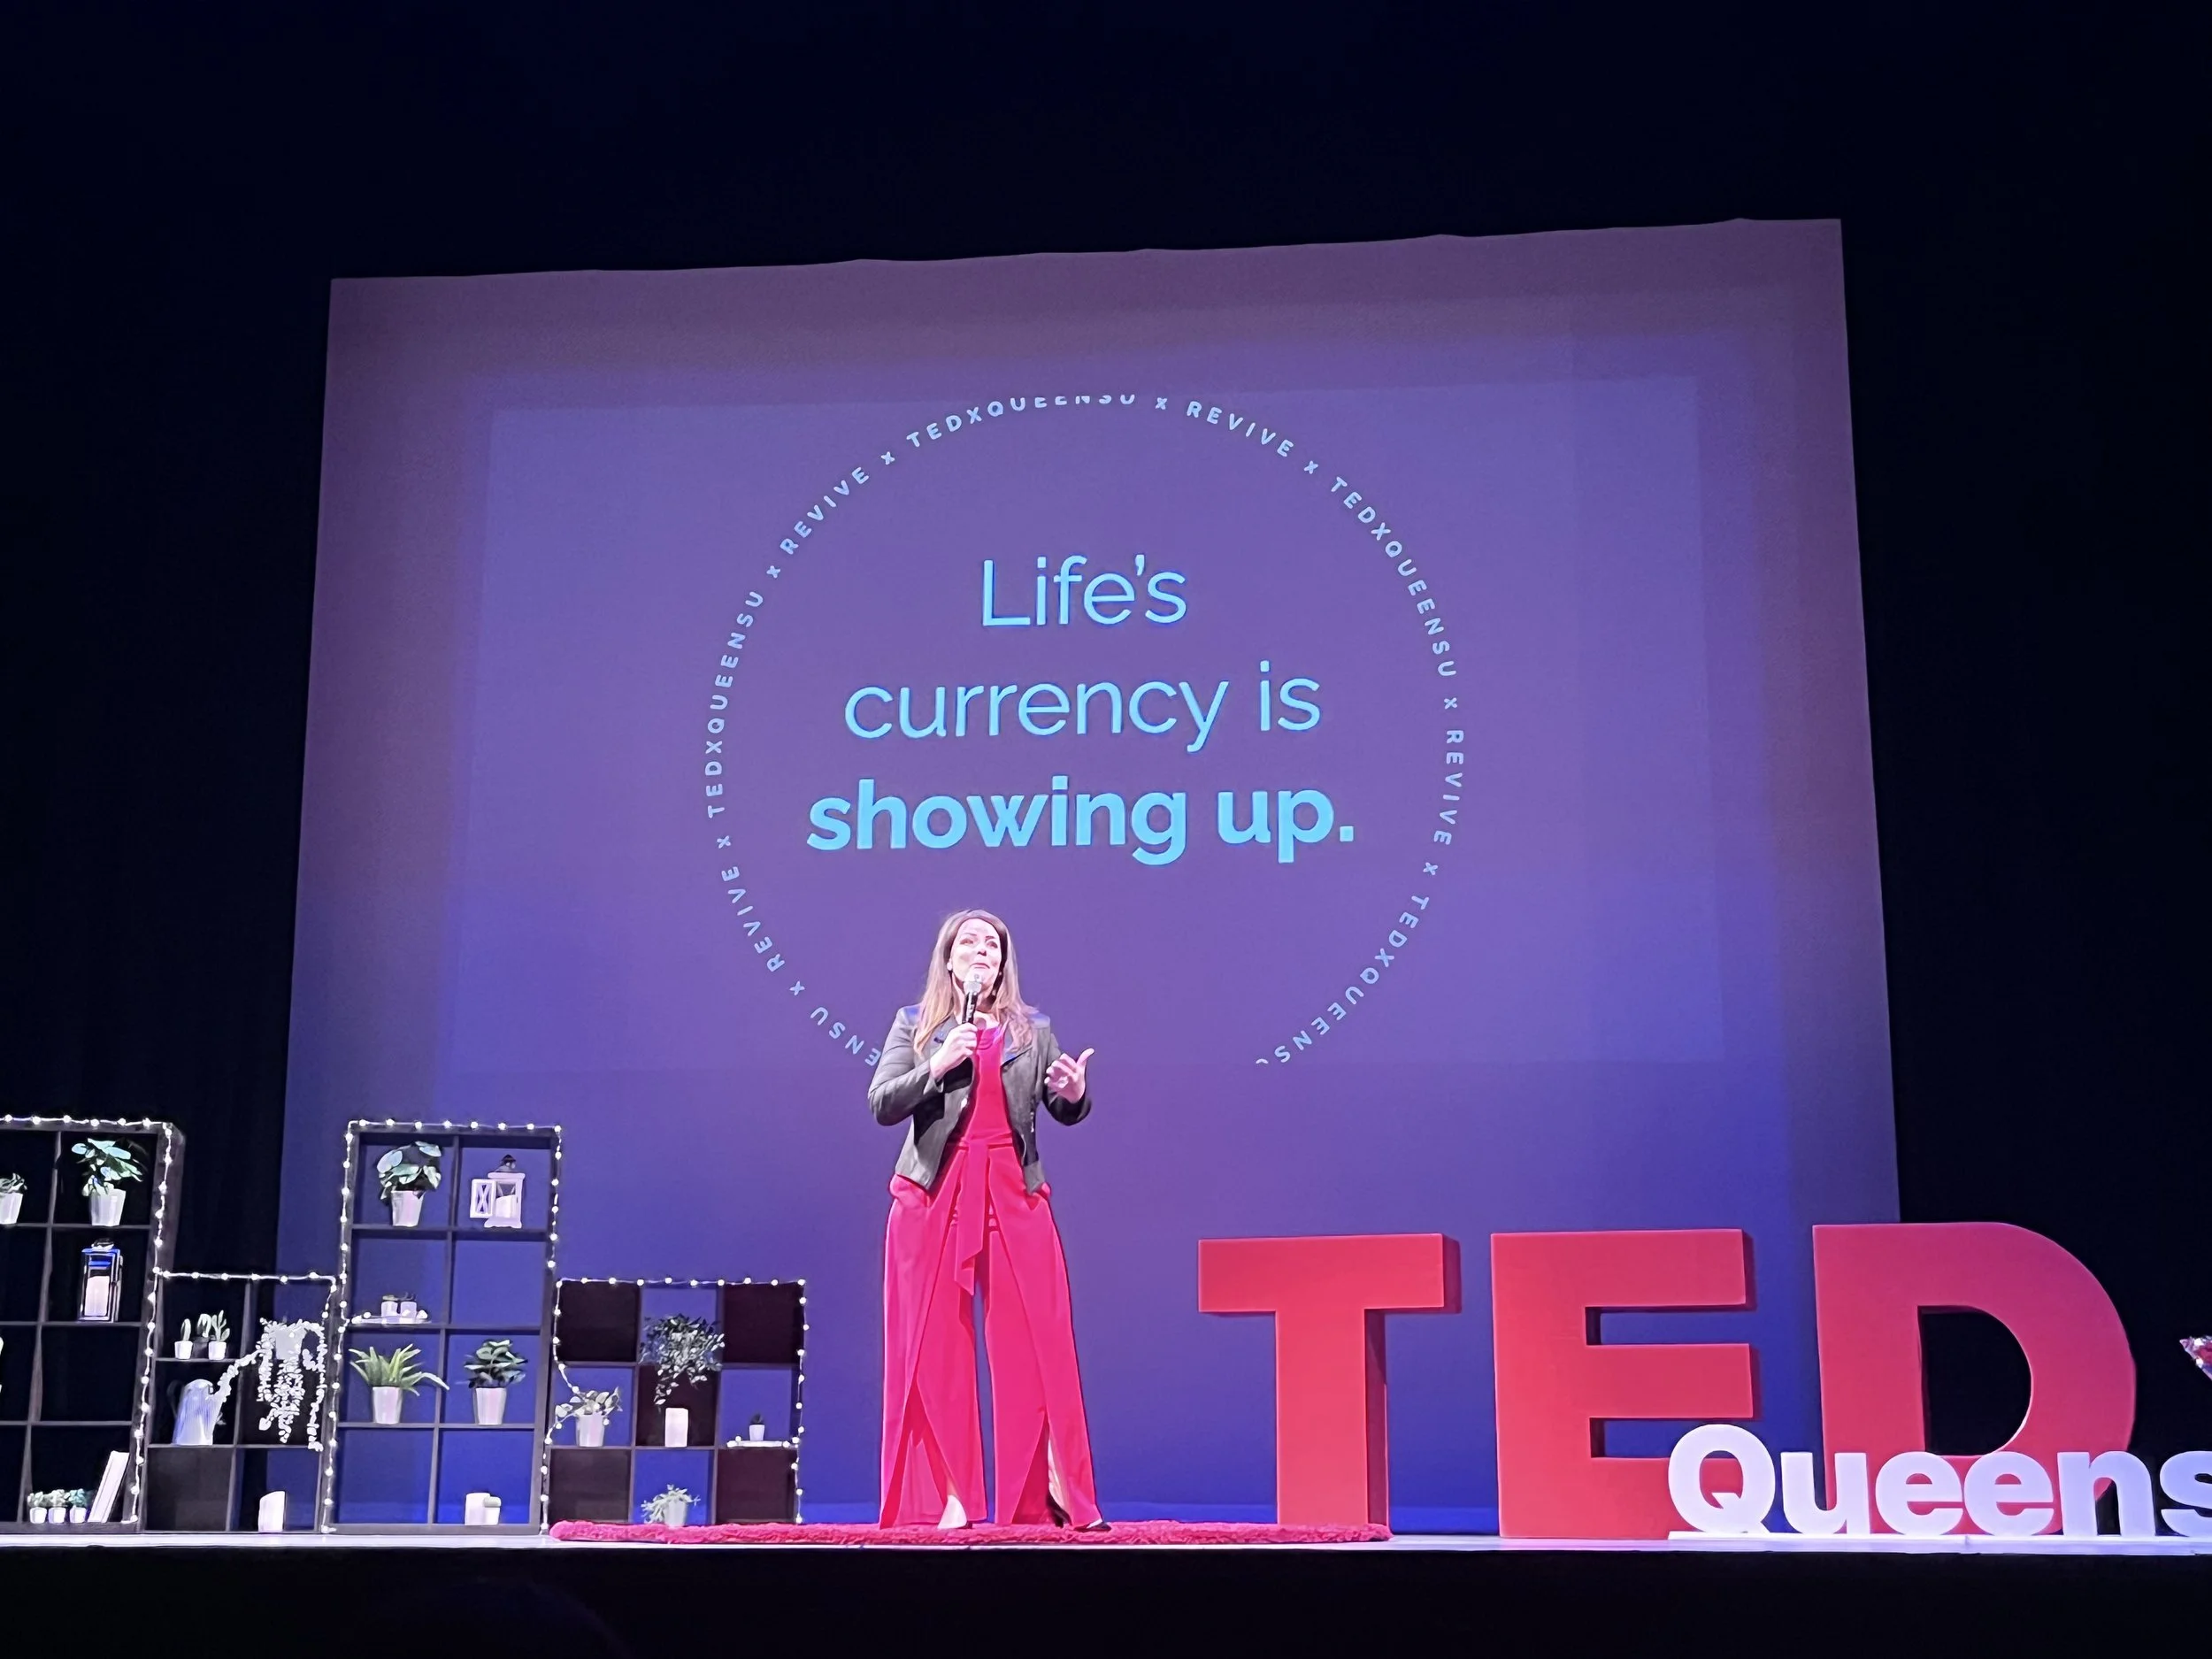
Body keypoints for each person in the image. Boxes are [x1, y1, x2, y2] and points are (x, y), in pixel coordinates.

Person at [868, 907, 1104, 1529]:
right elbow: (882, 1102)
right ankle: (952, 1495)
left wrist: (1075, 1095)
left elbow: (1058, 1103)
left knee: (1038, 1340)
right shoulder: (916, 1025)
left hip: (1013, 1191)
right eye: (969, 943)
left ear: (1003, 964)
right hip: (934, 1193)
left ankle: (1050, 1493)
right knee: (934, 1345)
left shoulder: (1034, 1029)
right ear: (948, 959)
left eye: (992, 946)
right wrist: (938, 1064)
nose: (982, 952)